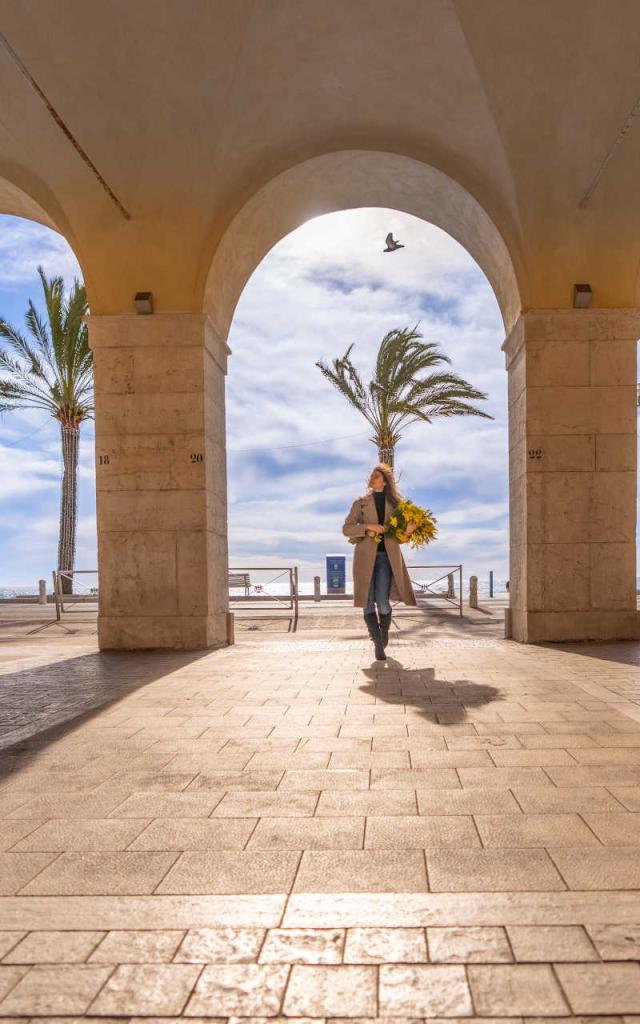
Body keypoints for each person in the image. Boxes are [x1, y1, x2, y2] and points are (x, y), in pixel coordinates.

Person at [342, 463, 417, 660]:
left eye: (376, 476)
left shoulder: (397, 505)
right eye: (371, 476)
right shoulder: (360, 503)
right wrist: (369, 527)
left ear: (384, 479)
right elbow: (347, 529)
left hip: (386, 557)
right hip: (364, 558)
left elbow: (400, 537)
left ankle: (383, 634)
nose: (371, 478)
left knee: (383, 602)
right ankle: (377, 643)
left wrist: (408, 531)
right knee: (367, 602)